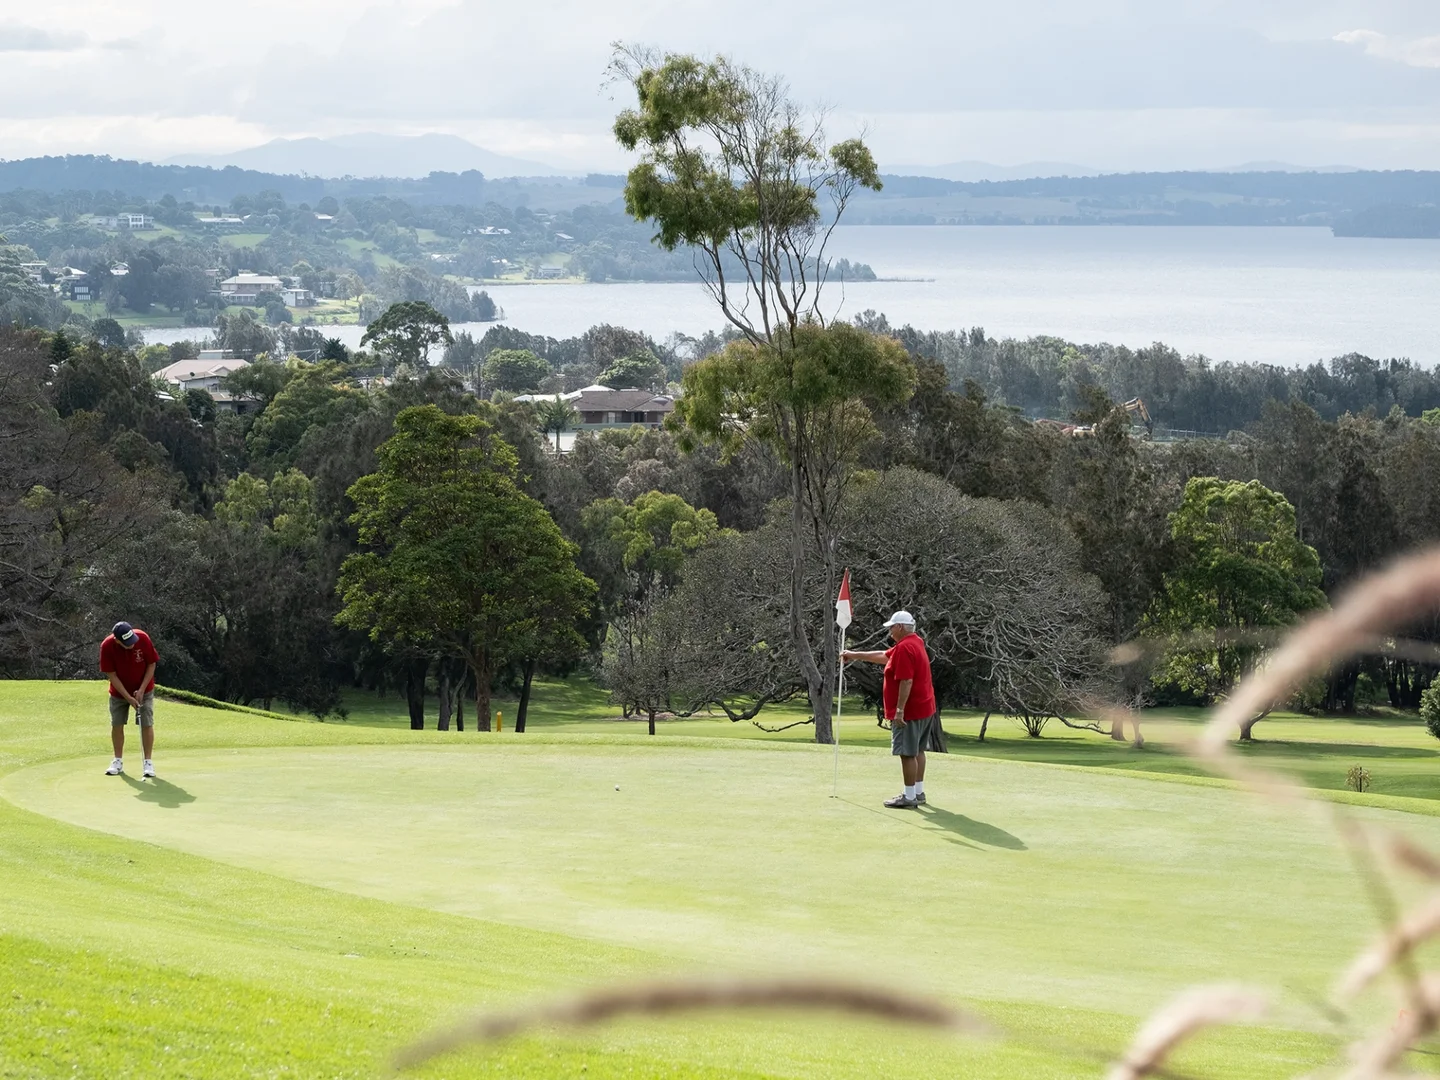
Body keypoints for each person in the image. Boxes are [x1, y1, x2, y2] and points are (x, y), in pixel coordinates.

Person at [841, 610, 937, 809]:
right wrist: (854, 655)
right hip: (925, 707)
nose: (890, 631)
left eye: (892, 627)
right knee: (918, 750)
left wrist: (899, 710)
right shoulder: (914, 642)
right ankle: (918, 792)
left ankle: (909, 796)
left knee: (907, 753)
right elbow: (884, 656)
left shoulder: (904, 648)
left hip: (910, 710)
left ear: (900, 627)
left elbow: (906, 681)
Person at [99, 621, 160, 778]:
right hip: (119, 693)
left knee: (146, 723)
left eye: (132, 640)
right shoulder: (107, 646)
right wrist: (128, 697)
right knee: (117, 724)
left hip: (144, 690)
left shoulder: (142, 638)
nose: (132, 645)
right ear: (117, 640)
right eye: (127, 643)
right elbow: (111, 674)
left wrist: (141, 690)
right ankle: (117, 761)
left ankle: (148, 762)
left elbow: (151, 664)